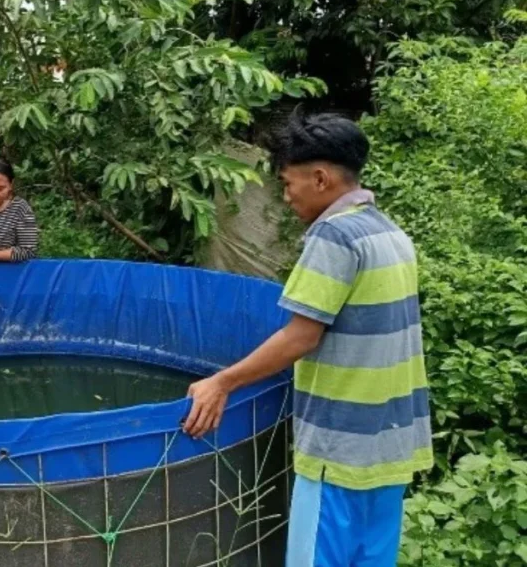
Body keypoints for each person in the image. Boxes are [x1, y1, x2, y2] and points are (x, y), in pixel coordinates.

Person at [182, 114, 431, 567]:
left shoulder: (334, 236)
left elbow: (300, 336)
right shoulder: (390, 234)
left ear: (320, 177)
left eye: (287, 181)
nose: (286, 194)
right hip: (389, 448)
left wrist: (221, 383)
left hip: (339, 449)